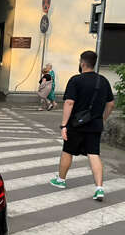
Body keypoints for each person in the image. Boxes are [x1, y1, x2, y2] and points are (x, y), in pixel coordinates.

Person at [49, 50, 115, 201]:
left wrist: (63, 125)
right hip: (95, 124)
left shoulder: (75, 80)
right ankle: (99, 188)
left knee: (67, 151)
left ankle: (61, 180)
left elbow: (69, 102)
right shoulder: (103, 81)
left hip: (76, 124)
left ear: (82, 63)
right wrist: (103, 119)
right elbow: (111, 104)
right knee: (94, 154)